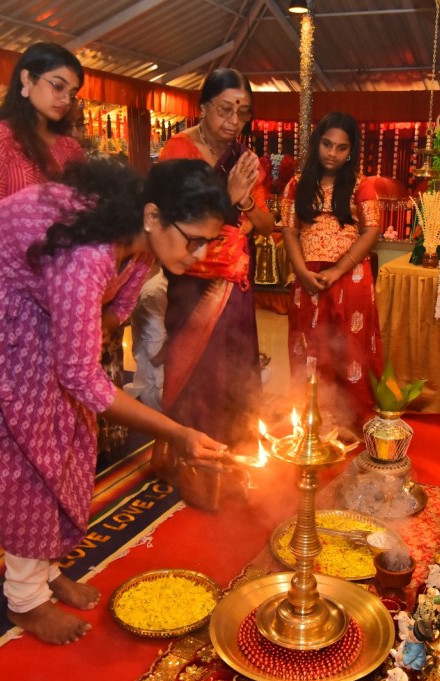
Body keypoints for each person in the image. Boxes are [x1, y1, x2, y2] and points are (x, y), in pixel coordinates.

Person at [0, 157, 232, 645]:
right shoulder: (87, 256)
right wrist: (177, 433)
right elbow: (81, 377)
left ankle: (44, 568)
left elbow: (115, 312)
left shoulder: (140, 241)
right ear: (153, 216)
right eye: (193, 240)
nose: (200, 254)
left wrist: (79, 337)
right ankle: (25, 601)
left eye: (210, 242)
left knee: (65, 429)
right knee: (20, 449)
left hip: (26, 299)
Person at [155, 69, 275, 494]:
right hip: (193, 277)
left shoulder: (246, 158)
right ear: (203, 106)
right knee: (197, 368)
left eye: (242, 112)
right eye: (224, 109)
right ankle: (195, 471)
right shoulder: (179, 150)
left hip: (235, 280)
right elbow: (177, 218)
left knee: (235, 365)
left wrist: (244, 199)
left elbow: (266, 223)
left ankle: (235, 462)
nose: (233, 120)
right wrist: (228, 193)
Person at [282, 112, 383, 440]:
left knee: (348, 349)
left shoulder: (362, 185)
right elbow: (289, 230)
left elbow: (372, 230)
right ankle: (312, 419)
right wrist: (301, 270)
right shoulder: (296, 184)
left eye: (342, 148)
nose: (332, 153)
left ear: (351, 151)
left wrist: (339, 269)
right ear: (317, 143)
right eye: (327, 144)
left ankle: (350, 422)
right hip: (307, 276)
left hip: (350, 278)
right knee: (308, 345)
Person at [0, 41, 85, 210]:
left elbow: (80, 211)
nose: (66, 100)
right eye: (58, 87)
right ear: (27, 79)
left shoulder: (70, 148)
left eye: (72, 94)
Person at [123, 272, 168, 411]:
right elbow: (156, 357)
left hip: (171, 381)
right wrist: (192, 327)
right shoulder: (154, 293)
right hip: (157, 387)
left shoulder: (176, 287)